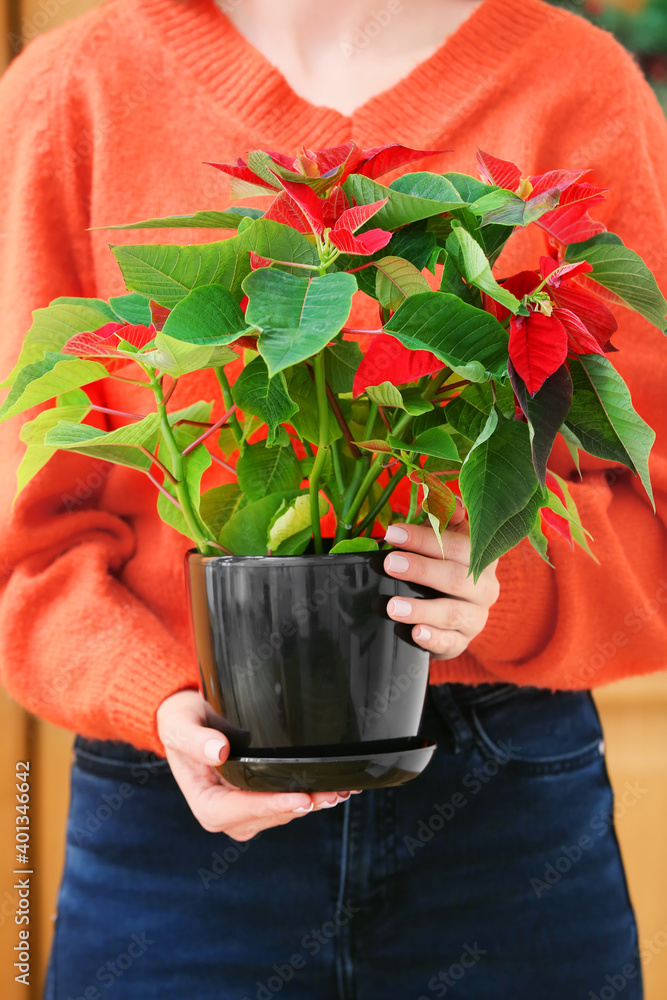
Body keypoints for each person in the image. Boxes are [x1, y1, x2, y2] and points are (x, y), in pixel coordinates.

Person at [0, 0, 665, 996]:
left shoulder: (576, 83)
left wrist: (503, 574)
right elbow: (28, 544)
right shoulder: (74, 92)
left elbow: (644, 495)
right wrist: (156, 696)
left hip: (502, 823)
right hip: (175, 817)